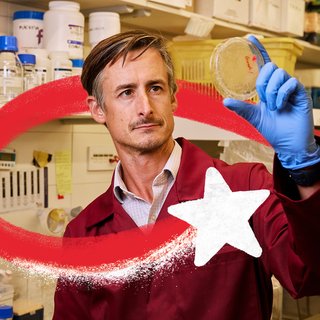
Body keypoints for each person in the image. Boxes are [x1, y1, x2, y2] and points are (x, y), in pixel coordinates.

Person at [53, 30, 320, 320]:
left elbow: (308, 276)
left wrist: (303, 166)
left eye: (155, 88)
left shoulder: (246, 188)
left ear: (173, 98)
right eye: (126, 92)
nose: (145, 108)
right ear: (97, 109)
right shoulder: (83, 234)